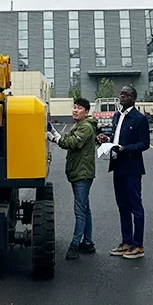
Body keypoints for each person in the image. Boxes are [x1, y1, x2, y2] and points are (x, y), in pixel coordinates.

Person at [97, 85, 150, 259]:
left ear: (134, 99)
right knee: (122, 206)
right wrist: (107, 140)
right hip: (117, 166)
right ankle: (126, 241)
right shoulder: (117, 115)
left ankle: (138, 245)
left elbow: (145, 143)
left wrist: (125, 149)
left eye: (127, 95)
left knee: (135, 206)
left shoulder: (139, 118)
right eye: (121, 94)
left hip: (132, 168)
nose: (123, 96)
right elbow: (116, 138)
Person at [50, 97, 98, 260]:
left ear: (86, 112)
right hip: (79, 172)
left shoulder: (85, 127)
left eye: (79, 108)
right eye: (74, 107)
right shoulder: (80, 125)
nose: (75, 110)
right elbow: (68, 138)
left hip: (82, 174)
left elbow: (71, 142)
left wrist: (54, 138)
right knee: (85, 209)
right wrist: (56, 133)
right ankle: (88, 242)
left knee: (80, 211)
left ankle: (75, 245)